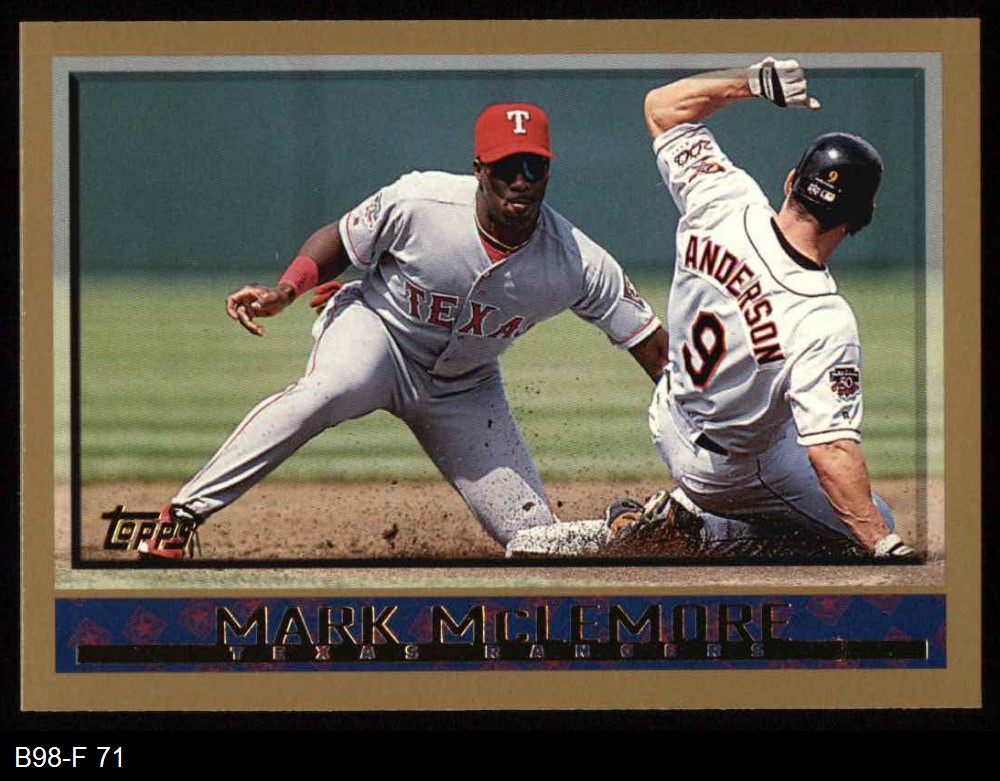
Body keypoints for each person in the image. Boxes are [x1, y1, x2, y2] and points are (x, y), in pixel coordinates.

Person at [138, 102, 668, 560]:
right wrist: (287, 289)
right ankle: (180, 516)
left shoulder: (578, 261)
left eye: (535, 165)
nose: (521, 179)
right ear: (479, 169)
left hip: (465, 387)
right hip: (377, 336)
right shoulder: (421, 201)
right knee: (330, 389)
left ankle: (622, 528)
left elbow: (652, 346)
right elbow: (340, 239)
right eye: (507, 165)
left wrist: (698, 430)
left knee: (530, 537)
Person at [507, 58, 915, 559]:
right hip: (729, 473)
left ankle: (672, 515)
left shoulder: (724, 197)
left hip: (668, 414)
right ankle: (697, 527)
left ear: (791, 181)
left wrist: (750, 82)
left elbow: (662, 109)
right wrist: (881, 542)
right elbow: (830, 450)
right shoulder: (823, 318)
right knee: (866, 520)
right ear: (859, 219)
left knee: (789, 418)